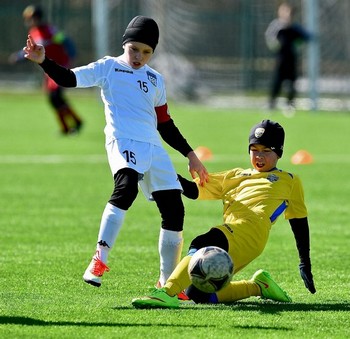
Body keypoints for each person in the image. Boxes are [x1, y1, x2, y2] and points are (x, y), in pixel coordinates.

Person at [23, 15, 208, 291]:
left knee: (174, 208)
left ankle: (167, 284)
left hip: (153, 147)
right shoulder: (108, 67)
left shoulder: (155, 79)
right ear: (125, 44)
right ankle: (99, 259)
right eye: (134, 49)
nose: (139, 56)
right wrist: (44, 63)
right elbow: (70, 78)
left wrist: (190, 154)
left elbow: (165, 123)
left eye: (146, 52)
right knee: (126, 189)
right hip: (123, 142)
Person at [132, 119, 316, 309]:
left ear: (279, 153)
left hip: (252, 232)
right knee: (198, 291)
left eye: (266, 150)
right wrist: (161, 170)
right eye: (254, 149)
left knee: (202, 242)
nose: (259, 156)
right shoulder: (235, 175)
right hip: (234, 232)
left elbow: (299, 222)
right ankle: (259, 286)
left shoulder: (290, 181)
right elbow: (193, 190)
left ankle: (167, 292)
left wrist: (305, 262)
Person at [9, 5, 83, 135]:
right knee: (54, 98)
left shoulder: (50, 30)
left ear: (38, 18)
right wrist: (19, 56)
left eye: (31, 18)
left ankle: (70, 126)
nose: (29, 21)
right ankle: (73, 124)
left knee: (55, 97)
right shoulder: (34, 32)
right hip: (49, 68)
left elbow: (65, 41)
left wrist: (71, 56)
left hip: (60, 66)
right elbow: (31, 50)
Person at [265, 2, 311, 115]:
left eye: (288, 12)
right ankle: (271, 103)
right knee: (277, 81)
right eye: (284, 11)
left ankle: (290, 104)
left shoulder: (295, 27)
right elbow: (270, 37)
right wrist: (275, 45)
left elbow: (306, 37)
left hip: (292, 59)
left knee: (292, 82)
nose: (287, 14)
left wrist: (297, 45)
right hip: (280, 59)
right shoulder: (277, 26)